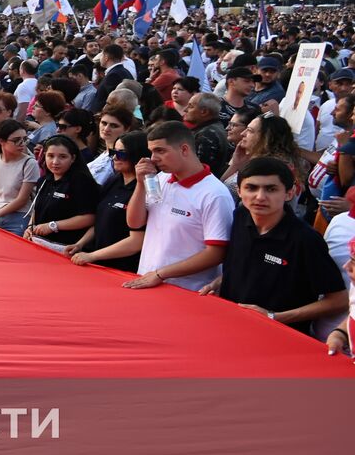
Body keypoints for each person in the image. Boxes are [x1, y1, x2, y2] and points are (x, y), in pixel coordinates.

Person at [196, 157, 348, 334]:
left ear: (289, 193)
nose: (260, 197)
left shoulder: (306, 240)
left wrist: (275, 317)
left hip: (279, 340)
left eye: (271, 189)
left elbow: (338, 300)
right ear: (239, 191)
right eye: (251, 188)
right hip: (230, 327)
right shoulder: (240, 216)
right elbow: (251, 264)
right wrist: (220, 282)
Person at [124, 121, 234, 291]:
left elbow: (216, 254)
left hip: (187, 291)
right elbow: (135, 223)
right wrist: (140, 184)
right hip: (147, 280)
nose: (153, 158)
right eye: (151, 151)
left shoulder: (215, 194)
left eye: (160, 150)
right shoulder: (159, 179)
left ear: (184, 149)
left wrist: (161, 274)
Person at [66, 130, 148, 273]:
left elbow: (136, 242)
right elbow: (99, 221)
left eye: (121, 153)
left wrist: (92, 256)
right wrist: (80, 244)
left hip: (124, 268)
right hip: (99, 262)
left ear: (138, 155)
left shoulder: (145, 190)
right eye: (112, 152)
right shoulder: (114, 181)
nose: (115, 157)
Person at [23, 135, 99, 248]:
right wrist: (30, 227)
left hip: (66, 247)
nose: (55, 162)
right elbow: (36, 209)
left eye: (62, 157)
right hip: (40, 243)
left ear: (73, 158)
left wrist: (53, 226)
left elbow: (90, 218)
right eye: (50, 156)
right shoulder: (43, 181)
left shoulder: (81, 182)